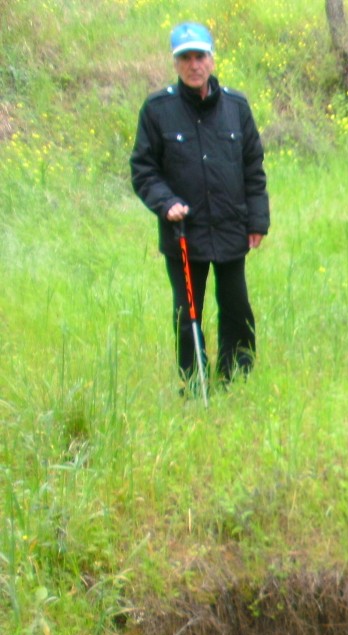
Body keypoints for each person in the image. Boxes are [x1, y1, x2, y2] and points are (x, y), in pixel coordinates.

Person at [131, 21, 270, 391]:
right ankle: (195, 381)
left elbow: (253, 167)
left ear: (211, 59)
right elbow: (143, 170)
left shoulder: (236, 107)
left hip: (230, 227)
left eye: (200, 56)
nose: (194, 65)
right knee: (188, 312)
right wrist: (166, 202)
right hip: (184, 234)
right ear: (176, 63)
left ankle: (236, 375)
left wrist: (257, 220)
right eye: (186, 58)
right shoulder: (157, 109)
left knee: (236, 307)